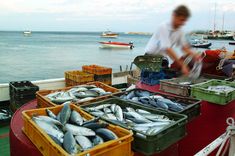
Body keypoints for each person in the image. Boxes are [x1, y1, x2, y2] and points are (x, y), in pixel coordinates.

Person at [144, 5, 200, 75]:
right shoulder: (163, 27)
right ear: (174, 15)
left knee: (169, 76)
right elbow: (167, 49)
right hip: (149, 59)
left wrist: (194, 55)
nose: (182, 23)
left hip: (162, 59)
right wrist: (182, 65)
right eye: (181, 20)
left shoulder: (180, 31)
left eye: (184, 21)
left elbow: (184, 47)